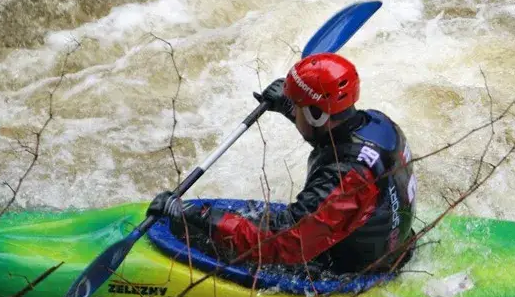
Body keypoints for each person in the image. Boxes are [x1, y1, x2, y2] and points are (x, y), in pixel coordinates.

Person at [147, 52, 417, 275]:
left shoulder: (347, 178)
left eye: (298, 106)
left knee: (203, 236)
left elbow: (283, 242)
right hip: (381, 242)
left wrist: (195, 216)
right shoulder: (378, 123)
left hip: (352, 270)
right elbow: (336, 143)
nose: (294, 109)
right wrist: (290, 107)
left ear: (315, 114)